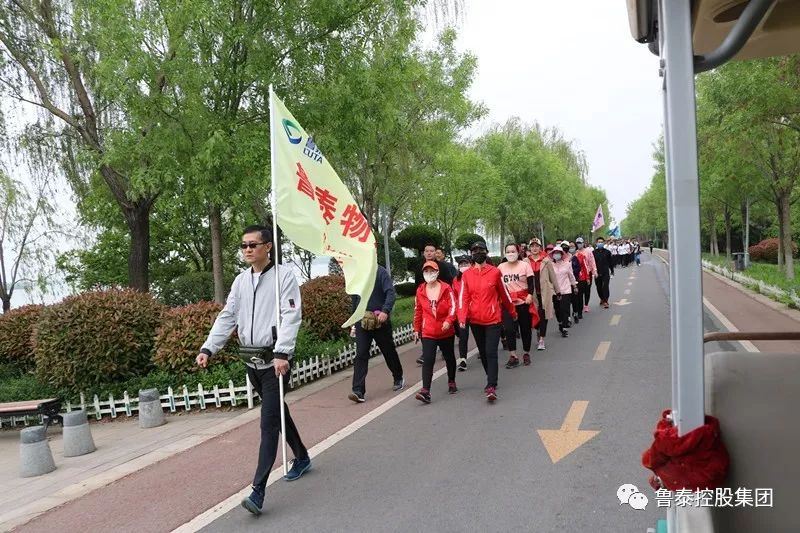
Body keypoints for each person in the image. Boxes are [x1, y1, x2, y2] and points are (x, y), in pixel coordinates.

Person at [197, 225, 310, 516]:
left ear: (267, 246)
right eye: (244, 245)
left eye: (253, 244)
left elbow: (291, 315)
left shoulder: (284, 276)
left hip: (275, 362)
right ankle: (302, 457)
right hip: (252, 362)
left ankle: (258, 491)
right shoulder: (240, 281)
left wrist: (282, 352)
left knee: (268, 423)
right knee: (278, 412)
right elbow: (228, 316)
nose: (247, 249)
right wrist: (209, 347)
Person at [457, 240, 517, 402]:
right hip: (475, 320)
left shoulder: (495, 272)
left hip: (493, 320)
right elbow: (463, 297)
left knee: (491, 351)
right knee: (483, 352)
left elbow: (504, 295)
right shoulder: (467, 275)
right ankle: (489, 376)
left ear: (486, 252)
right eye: (475, 251)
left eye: (481, 250)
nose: (478, 253)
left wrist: (512, 312)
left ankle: (491, 384)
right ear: (471, 254)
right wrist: (462, 317)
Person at [348, 264, 405, 403]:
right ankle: (358, 390)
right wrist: (354, 320)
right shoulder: (357, 274)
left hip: (380, 320)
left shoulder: (380, 272)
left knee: (388, 350)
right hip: (362, 321)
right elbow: (355, 299)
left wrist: (385, 310)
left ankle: (398, 377)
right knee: (361, 354)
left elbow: (390, 292)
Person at [413, 261, 458, 403]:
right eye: (426, 271)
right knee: (428, 359)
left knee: (449, 357)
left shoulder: (446, 288)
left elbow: (453, 306)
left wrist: (448, 321)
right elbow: (418, 311)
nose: (429, 274)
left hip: (445, 331)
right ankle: (425, 390)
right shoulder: (420, 290)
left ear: (437, 272)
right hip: (428, 331)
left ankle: (451, 381)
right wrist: (416, 329)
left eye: (432, 271)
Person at [414, 244, 454, 365]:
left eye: (431, 251)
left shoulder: (443, 266)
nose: (429, 253)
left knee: (445, 327)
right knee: (425, 324)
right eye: (427, 251)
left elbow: (449, 283)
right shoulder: (419, 267)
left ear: (435, 253)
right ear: (424, 253)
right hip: (424, 299)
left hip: (442, 301)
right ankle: (426, 352)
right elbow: (417, 284)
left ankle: (444, 348)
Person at [498, 243, 536, 367]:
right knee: (509, 329)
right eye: (508, 252)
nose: (510, 254)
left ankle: (526, 353)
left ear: (518, 252)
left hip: (523, 301)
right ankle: (513, 355)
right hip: (508, 303)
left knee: (525, 329)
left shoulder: (524, 265)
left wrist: (530, 295)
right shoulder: (500, 267)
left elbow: (531, 282)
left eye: (513, 251)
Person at [528, 239, 558, 351]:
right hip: (531, 294)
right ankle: (538, 329)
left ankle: (541, 339)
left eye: (537, 246)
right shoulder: (525, 261)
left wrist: (558, 291)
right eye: (532, 246)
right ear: (529, 248)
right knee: (533, 316)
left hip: (544, 293)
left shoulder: (546, 261)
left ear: (540, 247)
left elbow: (552, 276)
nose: (534, 248)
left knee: (543, 315)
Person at [549, 244, 577, 337]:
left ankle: (565, 328)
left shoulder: (567, 264)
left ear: (562, 254)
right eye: (555, 253)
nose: (556, 254)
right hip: (554, 291)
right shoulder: (550, 265)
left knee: (565, 309)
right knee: (557, 310)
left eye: (558, 253)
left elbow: (571, 276)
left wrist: (574, 286)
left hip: (566, 290)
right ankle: (560, 322)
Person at [452, 255, 472, 371]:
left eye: (466, 264)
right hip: (462, 313)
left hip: (475, 311)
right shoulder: (456, 280)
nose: (463, 266)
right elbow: (455, 296)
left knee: (480, 335)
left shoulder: (474, 277)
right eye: (461, 264)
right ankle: (463, 359)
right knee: (463, 336)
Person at [575, 237, 597, 313]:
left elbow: (592, 261)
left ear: (583, 243)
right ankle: (579, 306)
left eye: (580, 243)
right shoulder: (575, 252)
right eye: (577, 243)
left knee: (587, 290)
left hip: (588, 273)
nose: (579, 244)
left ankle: (586, 304)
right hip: (578, 274)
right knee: (580, 291)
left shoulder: (588, 251)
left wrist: (594, 271)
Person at [593, 237, 613, 309]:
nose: (600, 243)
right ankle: (601, 298)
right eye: (599, 242)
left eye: (601, 242)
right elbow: (592, 263)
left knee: (605, 286)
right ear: (596, 243)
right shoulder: (593, 252)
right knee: (598, 287)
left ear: (604, 243)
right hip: (597, 273)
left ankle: (606, 300)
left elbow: (610, 262)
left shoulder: (607, 252)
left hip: (605, 272)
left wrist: (612, 271)